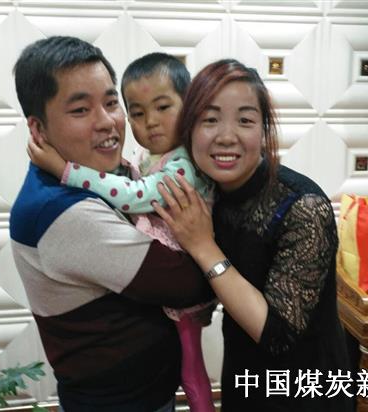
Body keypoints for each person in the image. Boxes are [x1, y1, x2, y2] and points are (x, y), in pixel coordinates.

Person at [10, 36, 212, 412]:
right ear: (38, 129)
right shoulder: (61, 211)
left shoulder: (105, 173)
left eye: (110, 102)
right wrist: (209, 246)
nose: (107, 122)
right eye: (80, 110)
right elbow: (187, 284)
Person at [152, 59, 354, 411]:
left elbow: (277, 335)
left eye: (245, 120)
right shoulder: (207, 191)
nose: (226, 136)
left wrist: (202, 246)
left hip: (305, 388)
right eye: (210, 120)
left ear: (263, 130)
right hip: (244, 374)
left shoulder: (304, 207)